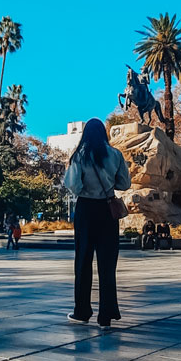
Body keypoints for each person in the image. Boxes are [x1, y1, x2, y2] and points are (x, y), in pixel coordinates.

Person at [63, 118, 131, 330]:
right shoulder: (115, 154)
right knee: (107, 264)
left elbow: (73, 185)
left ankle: (82, 312)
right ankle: (106, 315)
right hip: (107, 210)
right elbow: (125, 183)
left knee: (82, 261)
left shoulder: (80, 155)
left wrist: (86, 188)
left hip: (86, 209)